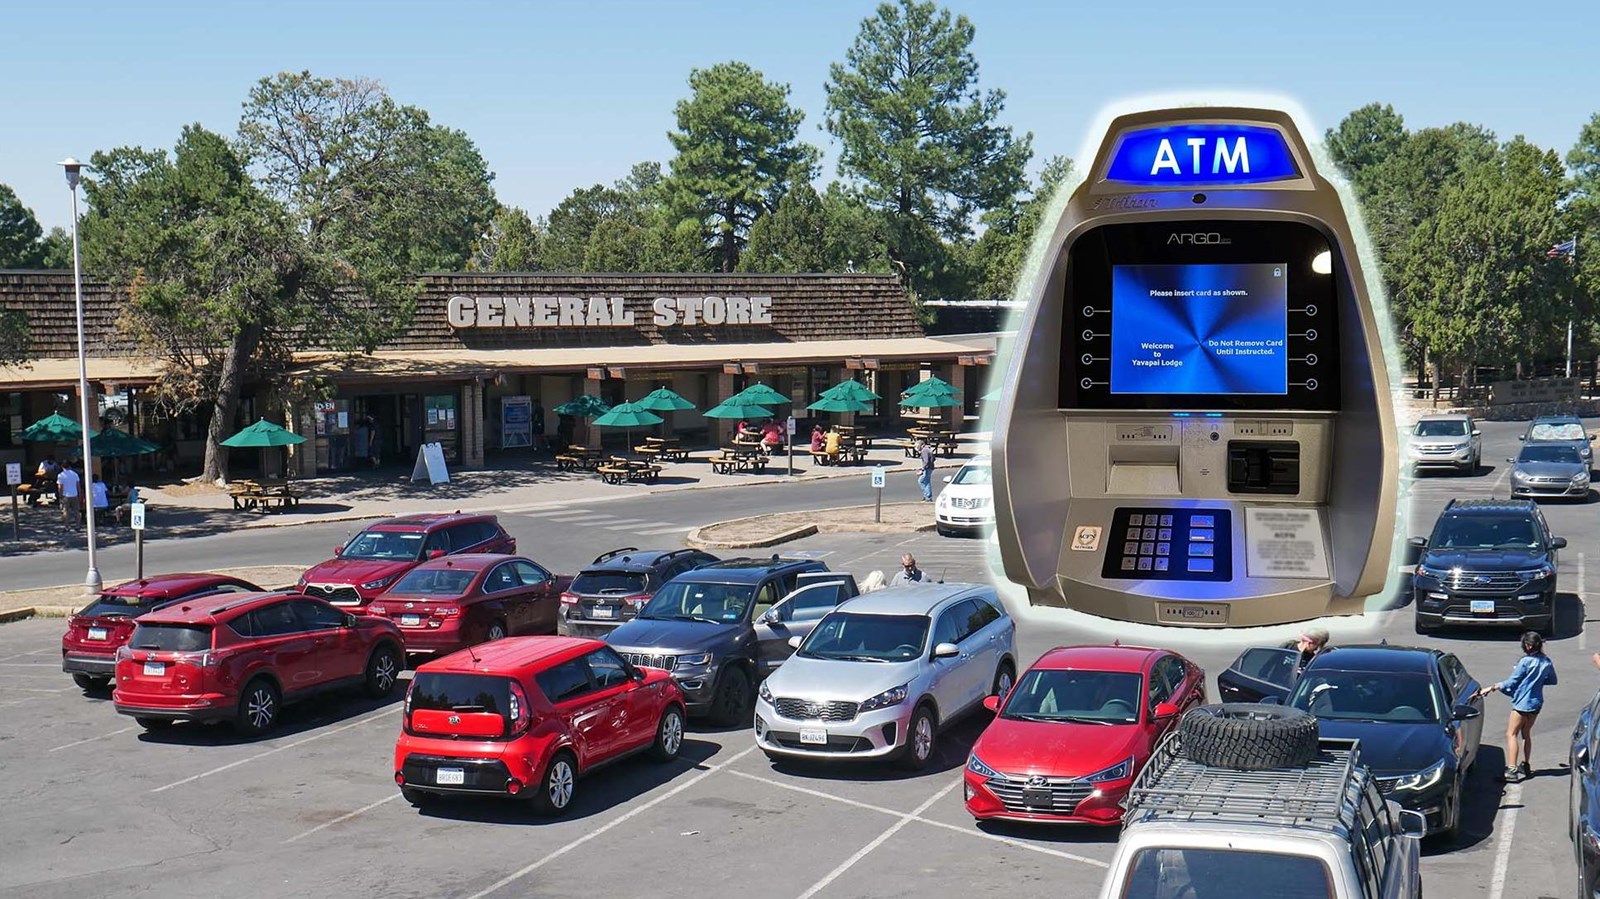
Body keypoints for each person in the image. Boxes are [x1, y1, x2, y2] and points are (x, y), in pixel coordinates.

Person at [1477, 631, 1557, 782]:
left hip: (1522, 703)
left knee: (1511, 734)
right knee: (1526, 733)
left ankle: (1511, 770)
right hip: (1536, 703)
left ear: (1527, 645)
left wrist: (1492, 687)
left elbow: (1511, 682)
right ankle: (1526, 765)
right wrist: (1536, 681)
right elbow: (1553, 680)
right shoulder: (1546, 661)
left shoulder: (1525, 662)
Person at [917, 437, 936, 502]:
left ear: (922, 445)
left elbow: (926, 461)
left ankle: (927, 496)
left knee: (921, 481)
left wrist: (922, 470)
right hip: (930, 468)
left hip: (927, 468)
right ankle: (927, 496)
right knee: (927, 481)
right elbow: (933, 458)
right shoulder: (927, 449)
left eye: (918, 446)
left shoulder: (924, 450)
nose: (917, 447)